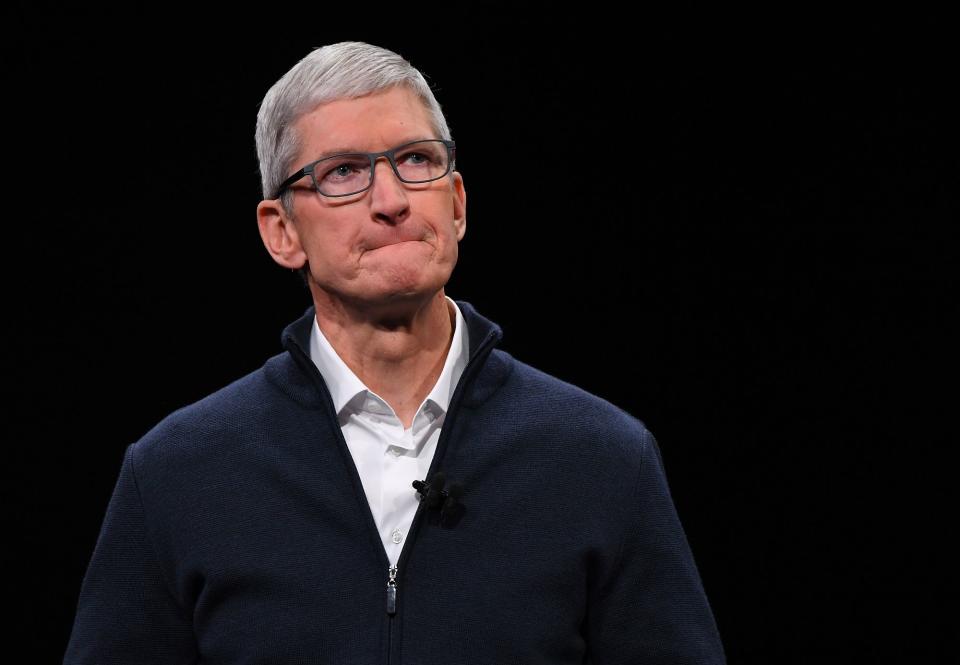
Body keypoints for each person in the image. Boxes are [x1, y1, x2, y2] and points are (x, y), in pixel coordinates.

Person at [64, 41, 725, 664]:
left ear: (458, 204)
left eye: (416, 160)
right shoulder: (177, 474)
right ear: (282, 231)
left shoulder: (603, 457)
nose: (392, 201)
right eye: (344, 172)